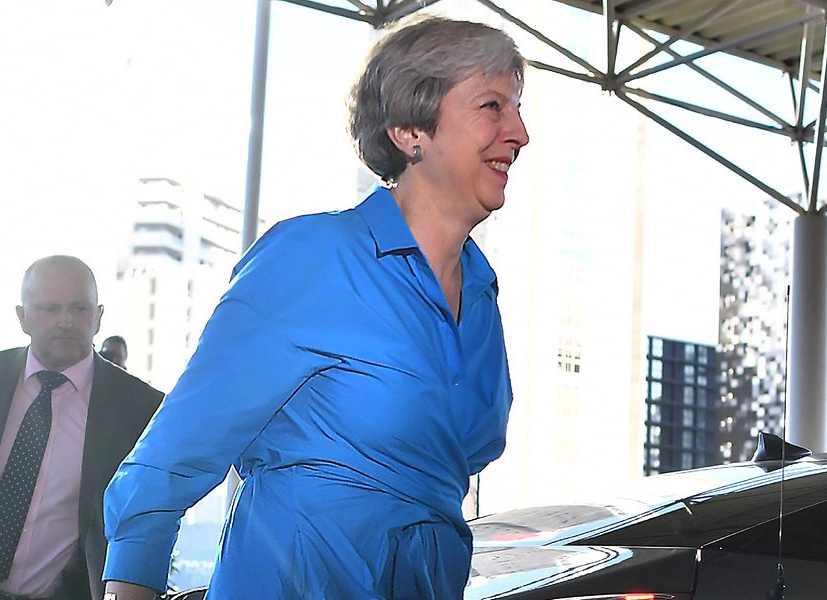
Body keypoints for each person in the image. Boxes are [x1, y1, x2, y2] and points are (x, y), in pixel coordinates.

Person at [101, 14, 528, 600]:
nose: (520, 133)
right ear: (411, 130)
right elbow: (173, 454)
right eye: (493, 106)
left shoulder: (482, 295)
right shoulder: (314, 256)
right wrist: (132, 588)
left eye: (517, 109)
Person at [0, 256, 164, 600]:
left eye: (79, 309)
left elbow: (141, 525)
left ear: (98, 317)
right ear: (22, 317)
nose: (65, 321)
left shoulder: (137, 406)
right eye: (50, 308)